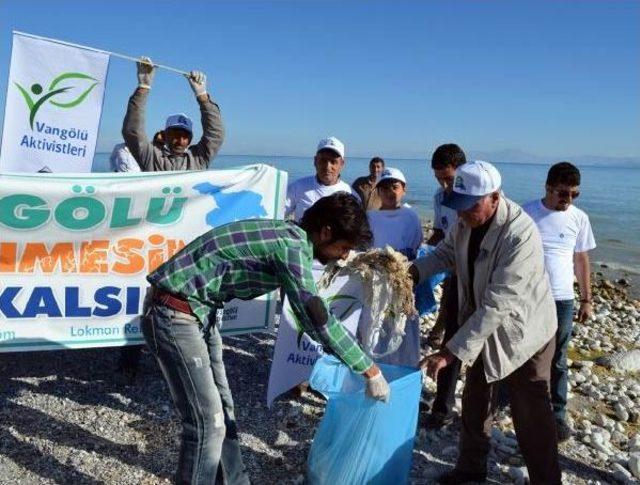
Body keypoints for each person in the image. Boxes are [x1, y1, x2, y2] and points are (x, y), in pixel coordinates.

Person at [142, 193, 390, 484]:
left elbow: (308, 315)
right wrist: (368, 369)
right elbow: (315, 317)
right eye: (344, 247)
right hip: (175, 313)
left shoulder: (288, 235)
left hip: (199, 312)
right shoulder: (291, 246)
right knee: (206, 423)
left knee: (223, 410)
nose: (344, 256)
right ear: (326, 232)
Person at [411, 161, 561, 484]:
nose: (463, 214)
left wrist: (449, 352)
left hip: (524, 334)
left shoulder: (520, 234)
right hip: (480, 325)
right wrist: (411, 272)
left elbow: (498, 304)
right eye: (459, 206)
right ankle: (470, 470)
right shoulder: (465, 221)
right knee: (476, 399)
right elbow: (445, 254)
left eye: (471, 206)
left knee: (531, 410)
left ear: (494, 197)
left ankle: (546, 480)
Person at [522, 161, 595, 441]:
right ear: (548, 188)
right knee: (522, 351)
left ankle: (558, 414)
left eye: (575, 194)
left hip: (563, 299)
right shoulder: (527, 212)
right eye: (563, 193)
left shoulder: (579, 218)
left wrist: (587, 299)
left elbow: (581, 259)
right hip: (529, 298)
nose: (569, 199)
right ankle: (510, 400)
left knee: (559, 359)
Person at [424, 143, 466, 428]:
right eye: (439, 178)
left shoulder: (482, 196)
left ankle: (487, 406)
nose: (444, 184)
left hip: (480, 278)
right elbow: (440, 232)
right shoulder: (440, 196)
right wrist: (422, 257)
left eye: (449, 178)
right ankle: (443, 406)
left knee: (477, 342)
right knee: (453, 336)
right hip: (453, 275)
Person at [122, 56, 224, 171]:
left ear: (190, 140)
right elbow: (132, 132)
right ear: (165, 135)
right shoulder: (151, 157)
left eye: (185, 136)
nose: (180, 140)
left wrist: (203, 96)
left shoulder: (199, 158)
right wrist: (143, 87)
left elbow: (215, 134)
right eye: (175, 134)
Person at [366, 167, 422, 366]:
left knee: (402, 324)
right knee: (375, 322)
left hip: (402, 281)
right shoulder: (370, 217)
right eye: (385, 187)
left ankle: (403, 366)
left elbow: (415, 245)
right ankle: (373, 365)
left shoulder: (411, 216)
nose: (390, 192)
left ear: (403, 189)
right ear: (378, 191)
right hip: (375, 282)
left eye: (395, 187)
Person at [285, 136, 358, 222]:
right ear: (315, 161)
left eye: (333, 162)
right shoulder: (297, 187)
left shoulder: (351, 194)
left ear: (342, 164)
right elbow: (275, 214)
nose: (327, 166)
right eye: (323, 160)